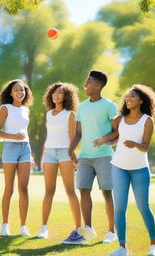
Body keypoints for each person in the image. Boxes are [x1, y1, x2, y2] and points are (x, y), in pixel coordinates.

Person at [106, 84, 155, 256]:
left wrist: (134, 144)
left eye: (132, 96)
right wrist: (103, 139)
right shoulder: (119, 119)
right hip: (119, 167)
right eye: (127, 96)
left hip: (140, 169)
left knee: (143, 207)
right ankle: (122, 248)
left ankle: (154, 245)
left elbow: (145, 147)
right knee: (119, 208)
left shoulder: (147, 120)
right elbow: (111, 135)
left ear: (141, 100)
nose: (128, 99)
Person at [68, 70, 118, 243]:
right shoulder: (82, 107)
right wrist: (71, 149)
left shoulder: (110, 105)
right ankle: (88, 229)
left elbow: (117, 131)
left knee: (107, 192)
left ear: (98, 85)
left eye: (88, 82)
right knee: (83, 190)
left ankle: (112, 231)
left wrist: (104, 139)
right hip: (85, 157)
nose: (85, 85)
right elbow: (78, 133)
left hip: (104, 155)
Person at [37, 82, 84, 244]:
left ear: (66, 96)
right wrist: (43, 156)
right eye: (54, 92)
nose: (56, 95)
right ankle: (43, 228)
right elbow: (47, 136)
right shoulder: (49, 114)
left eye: (60, 93)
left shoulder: (70, 114)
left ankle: (79, 228)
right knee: (48, 191)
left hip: (65, 152)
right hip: (49, 153)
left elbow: (73, 137)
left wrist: (73, 156)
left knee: (70, 190)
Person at [0, 79, 33, 237]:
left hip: (25, 148)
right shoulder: (5, 108)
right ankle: (5, 225)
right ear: (10, 92)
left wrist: (31, 155)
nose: (20, 92)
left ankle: (23, 226)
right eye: (16, 90)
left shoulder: (26, 110)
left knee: (23, 188)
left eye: (22, 90)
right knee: (9, 188)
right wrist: (14, 137)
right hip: (10, 148)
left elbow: (24, 131)